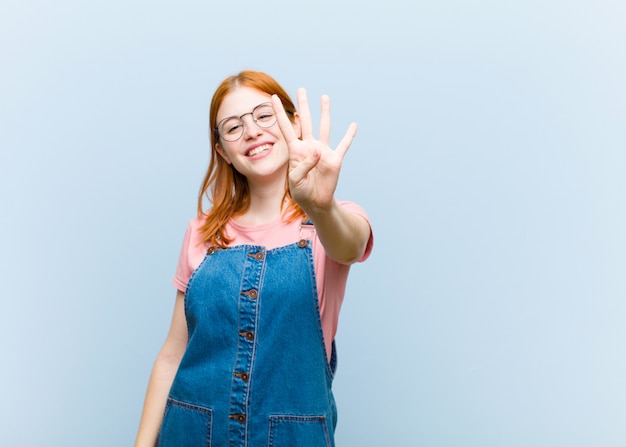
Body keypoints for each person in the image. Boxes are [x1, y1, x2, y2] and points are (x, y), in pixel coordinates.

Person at [134, 70, 373, 447]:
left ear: (293, 123)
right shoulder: (201, 233)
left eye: (264, 115)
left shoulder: (331, 223)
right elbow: (172, 354)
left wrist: (320, 206)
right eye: (233, 127)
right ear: (222, 152)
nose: (251, 131)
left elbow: (350, 245)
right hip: (189, 434)